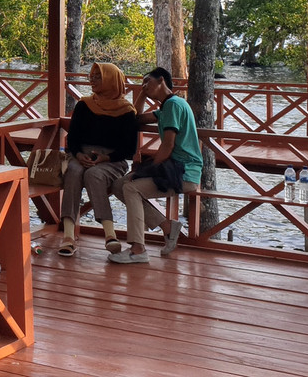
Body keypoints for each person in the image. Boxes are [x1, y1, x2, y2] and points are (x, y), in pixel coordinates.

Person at [109, 67, 203, 264]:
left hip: (185, 172)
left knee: (131, 187)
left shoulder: (174, 106)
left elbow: (167, 146)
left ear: (162, 80)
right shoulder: (165, 109)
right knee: (118, 185)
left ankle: (137, 249)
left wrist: (144, 171)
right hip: (172, 168)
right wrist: (142, 93)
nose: (144, 86)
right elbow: (135, 118)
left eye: (147, 82)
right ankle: (167, 227)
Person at [57, 62, 139, 257]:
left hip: (112, 160)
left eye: (98, 77)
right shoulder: (85, 105)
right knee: (74, 171)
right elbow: (73, 138)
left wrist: (105, 158)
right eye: (91, 77)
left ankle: (110, 235)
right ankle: (68, 236)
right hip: (82, 154)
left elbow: (129, 149)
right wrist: (78, 154)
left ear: (111, 80)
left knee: (94, 175)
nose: (92, 81)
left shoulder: (127, 111)